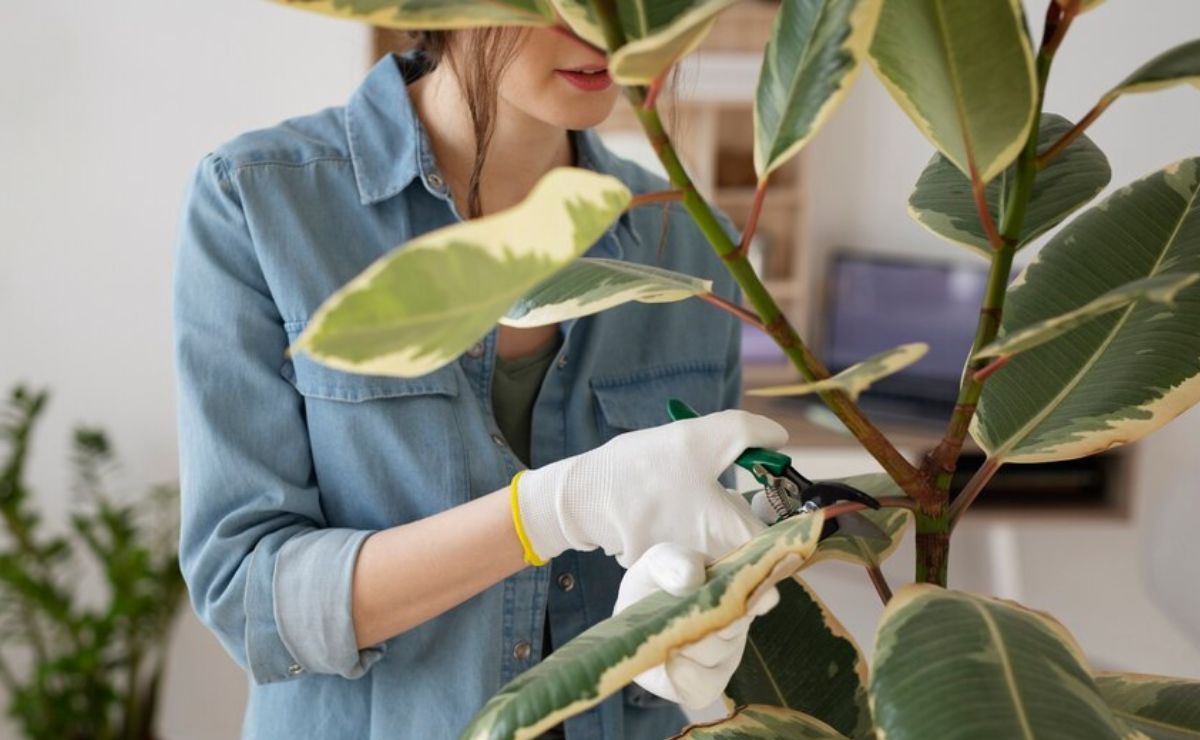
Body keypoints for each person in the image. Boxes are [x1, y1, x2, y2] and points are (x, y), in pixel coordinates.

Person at [172, 21, 785, 740]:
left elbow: (713, 535)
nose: (604, 24)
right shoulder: (261, 204)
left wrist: (701, 618)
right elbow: (250, 596)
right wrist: (549, 511)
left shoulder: (685, 245)